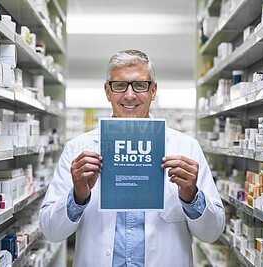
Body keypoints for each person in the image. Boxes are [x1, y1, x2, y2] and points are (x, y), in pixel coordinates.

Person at [39, 49, 225, 266]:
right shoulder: (78, 150)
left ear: (153, 90)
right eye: (119, 85)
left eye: (139, 85)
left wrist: (191, 196)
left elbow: (212, 232)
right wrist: (77, 197)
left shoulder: (186, 148)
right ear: (107, 91)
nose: (129, 95)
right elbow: (50, 231)